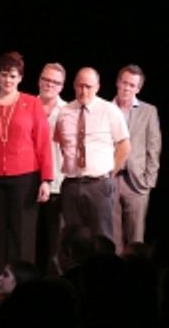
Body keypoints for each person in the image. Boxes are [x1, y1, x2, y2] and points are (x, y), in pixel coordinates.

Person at [0, 52, 53, 297]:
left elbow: (43, 142)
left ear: (20, 78)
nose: (8, 80)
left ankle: (24, 291)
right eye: (4, 75)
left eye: (12, 75)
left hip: (25, 178)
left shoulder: (32, 104)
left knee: (22, 236)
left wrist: (46, 180)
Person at [54, 67, 129, 243]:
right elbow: (60, 142)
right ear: (73, 86)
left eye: (88, 86)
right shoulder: (65, 111)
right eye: (80, 86)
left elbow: (125, 146)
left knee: (101, 236)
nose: (83, 91)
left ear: (97, 87)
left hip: (98, 184)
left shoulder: (109, 110)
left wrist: (110, 172)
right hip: (72, 184)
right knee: (73, 238)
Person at [111, 65, 161, 253]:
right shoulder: (106, 108)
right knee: (112, 237)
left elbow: (154, 147)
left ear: (138, 89)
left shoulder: (148, 111)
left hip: (137, 181)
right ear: (117, 82)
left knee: (135, 238)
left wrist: (149, 181)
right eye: (124, 83)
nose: (126, 88)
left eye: (132, 85)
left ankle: (135, 276)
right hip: (111, 178)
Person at [35, 62, 68, 276]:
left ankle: (53, 284)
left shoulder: (68, 110)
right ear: (39, 80)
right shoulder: (26, 105)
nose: (50, 85)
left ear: (62, 86)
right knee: (29, 237)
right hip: (28, 181)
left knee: (55, 239)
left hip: (58, 183)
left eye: (55, 82)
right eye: (46, 79)